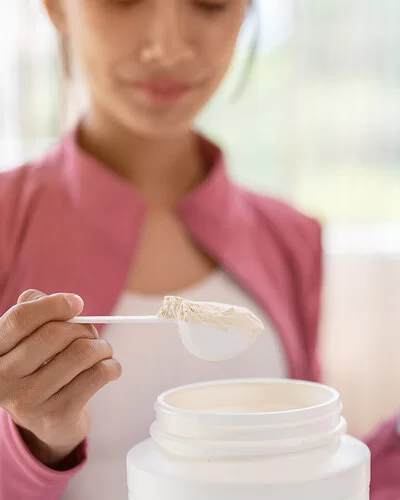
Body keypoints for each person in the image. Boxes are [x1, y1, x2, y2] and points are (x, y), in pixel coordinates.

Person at [0, 1, 398, 499]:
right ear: (56, 8)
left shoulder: (292, 238)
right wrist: (34, 445)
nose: (167, 47)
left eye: (209, 2)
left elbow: (307, 466)